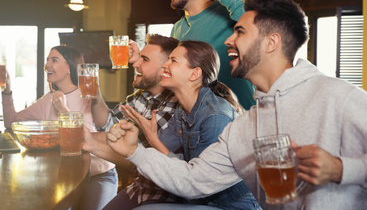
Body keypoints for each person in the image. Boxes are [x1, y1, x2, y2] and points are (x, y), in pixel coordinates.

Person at [106, 0, 367, 210]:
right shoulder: (243, 128)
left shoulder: (338, 96)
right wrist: (134, 151)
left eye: (240, 32)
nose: (229, 40)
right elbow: (193, 180)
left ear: (271, 42)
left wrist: (341, 169)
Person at [105, 40, 259, 210]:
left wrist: (140, 146)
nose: (165, 65)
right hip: (201, 199)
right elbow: (175, 163)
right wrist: (153, 138)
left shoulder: (216, 116)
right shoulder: (182, 109)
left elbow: (198, 182)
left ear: (194, 74)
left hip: (231, 205)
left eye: (173, 60)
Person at [1, 45, 118, 210]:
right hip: (65, 176)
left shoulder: (88, 96)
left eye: (54, 60)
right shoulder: (47, 99)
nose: (47, 64)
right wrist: (7, 90)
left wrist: (64, 111)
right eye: (47, 60)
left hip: (99, 176)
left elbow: (88, 139)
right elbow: (11, 122)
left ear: (70, 67)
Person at [83, 34, 180, 209]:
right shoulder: (142, 97)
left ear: (165, 69)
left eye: (144, 59)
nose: (134, 63)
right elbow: (109, 125)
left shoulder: (174, 106)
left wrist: (89, 143)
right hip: (140, 188)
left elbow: (140, 160)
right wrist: (96, 92)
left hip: (165, 196)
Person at [168, 0, 255, 110]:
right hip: (200, 122)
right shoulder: (177, 29)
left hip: (243, 119)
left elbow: (263, 25)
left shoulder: (229, 13)